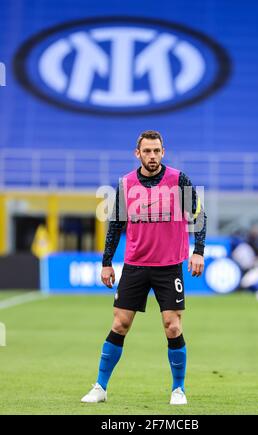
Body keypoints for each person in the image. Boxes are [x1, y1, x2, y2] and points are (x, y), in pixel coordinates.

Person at [81, 130, 207, 405]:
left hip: (169, 266)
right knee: (120, 323)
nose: (152, 156)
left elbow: (198, 214)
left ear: (163, 152)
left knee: (172, 327)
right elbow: (115, 225)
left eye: (157, 151)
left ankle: (178, 389)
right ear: (137, 153)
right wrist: (106, 262)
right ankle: (100, 387)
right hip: (135, 265)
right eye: (147, 151)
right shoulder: (126, 184)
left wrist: (198, 251)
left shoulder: (178, 179)